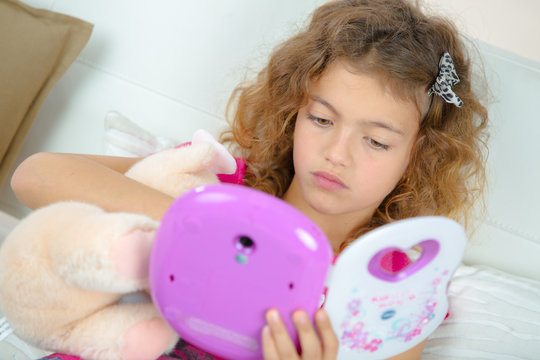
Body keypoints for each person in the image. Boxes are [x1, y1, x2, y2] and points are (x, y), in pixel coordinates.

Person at [11, 0, 488, 359]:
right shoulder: (217, 184)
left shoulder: (393, 289)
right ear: (294, 109)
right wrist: (201, 227)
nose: (336, 155)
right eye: (321, 119)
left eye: (377, 142)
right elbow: (34, 176)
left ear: (420, 153)